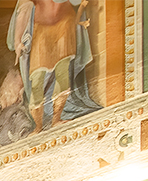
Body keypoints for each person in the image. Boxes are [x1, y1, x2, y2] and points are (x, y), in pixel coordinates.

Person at [8, 0, 100, 133]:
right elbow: (23, 12)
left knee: (62, 73)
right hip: (41, 30)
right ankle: (38, 126)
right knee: (37, 78)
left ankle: (56, 119)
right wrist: (18, 42)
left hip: (64, 24)